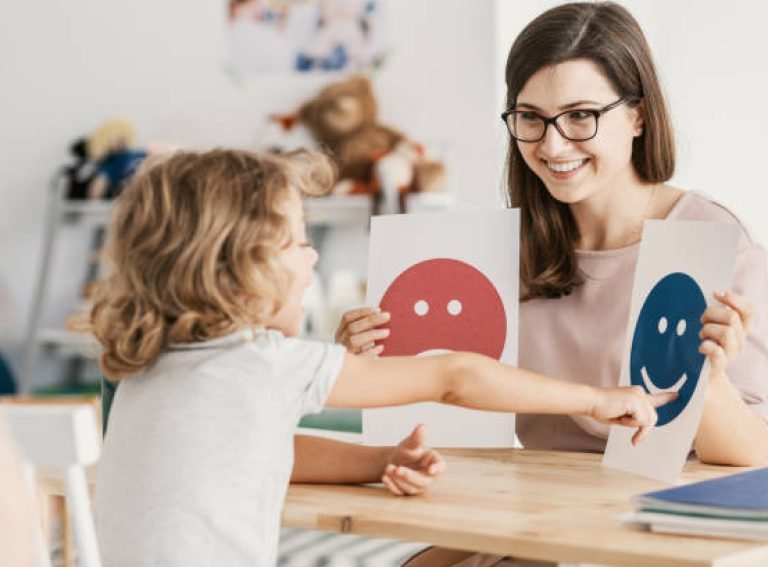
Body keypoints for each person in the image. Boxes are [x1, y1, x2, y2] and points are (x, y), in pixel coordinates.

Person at [89, 147, 669, 567]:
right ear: (235, 273)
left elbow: (264, 448)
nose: (313, 258)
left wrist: (381, 460)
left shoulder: (150, 370)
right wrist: (597, 398)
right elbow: (455, 374)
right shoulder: (263, 363)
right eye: (296, 242)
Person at [337, 2, 768, 565]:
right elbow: (453, 413)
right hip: (535, 514)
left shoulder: (709, 238)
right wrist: (366, 366)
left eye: (581, 115)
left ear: (638, 115)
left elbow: (751, 459)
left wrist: (706, 377)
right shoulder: (500, 252)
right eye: (531, 117)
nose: (553, 144)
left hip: (654, 526)